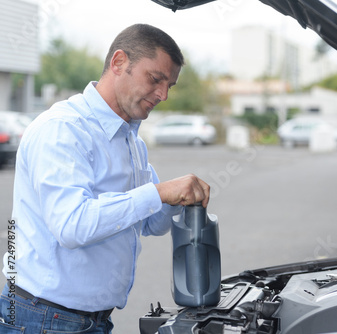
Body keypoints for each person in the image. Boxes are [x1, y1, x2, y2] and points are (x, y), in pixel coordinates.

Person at [0, 23, 210, 333]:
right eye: (155, 79)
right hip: (42, 319)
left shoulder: (131, 141)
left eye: (170, 86)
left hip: (89, 320)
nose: (163, 95)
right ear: (119, 62)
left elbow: (152, 223)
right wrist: (160, 192)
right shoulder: (63, 129)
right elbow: (72, 225)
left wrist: (178, 197)